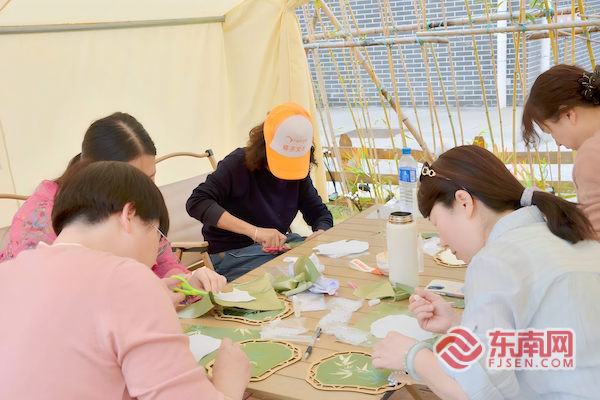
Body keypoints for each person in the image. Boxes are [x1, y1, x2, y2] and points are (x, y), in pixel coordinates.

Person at [0, 161, 251, 399]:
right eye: (158, 233)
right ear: (128, 214)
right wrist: (229, 380)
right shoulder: (126, 277)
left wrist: (153, 299)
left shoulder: (9, 273)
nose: (157, 249)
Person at [371, 145, 600, 399]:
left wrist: (411, 355)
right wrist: (458, 326)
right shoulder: (562, 233)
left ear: (463, 202)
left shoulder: (495, 261)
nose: (441, 242)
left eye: (437, 223)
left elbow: (474, 393)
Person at [0, 112, 226, 293]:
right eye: (135, 180)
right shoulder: (40, 220)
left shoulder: (138, 207)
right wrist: (147, 297)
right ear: (98, 174)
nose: (146, 190)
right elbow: (46, 300)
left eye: (150, 178)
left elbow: (163, 261)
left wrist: (188, 281)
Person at [186, 103, 333, 281]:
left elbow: (318, 212)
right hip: (232, 254)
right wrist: (255, 232)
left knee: (326, 264)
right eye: (282, 160)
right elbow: (197, 202)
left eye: (293, 161)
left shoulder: (297, 170)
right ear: (265, 146)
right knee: (296, 276)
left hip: (277, 248)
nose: (287, 168)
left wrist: (320, 233)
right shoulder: (237, 164)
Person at [523, 64, 600, 237]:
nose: (557, 143)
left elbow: (595, 240)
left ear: (568, 114)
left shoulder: (591, 154)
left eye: (550, 131)